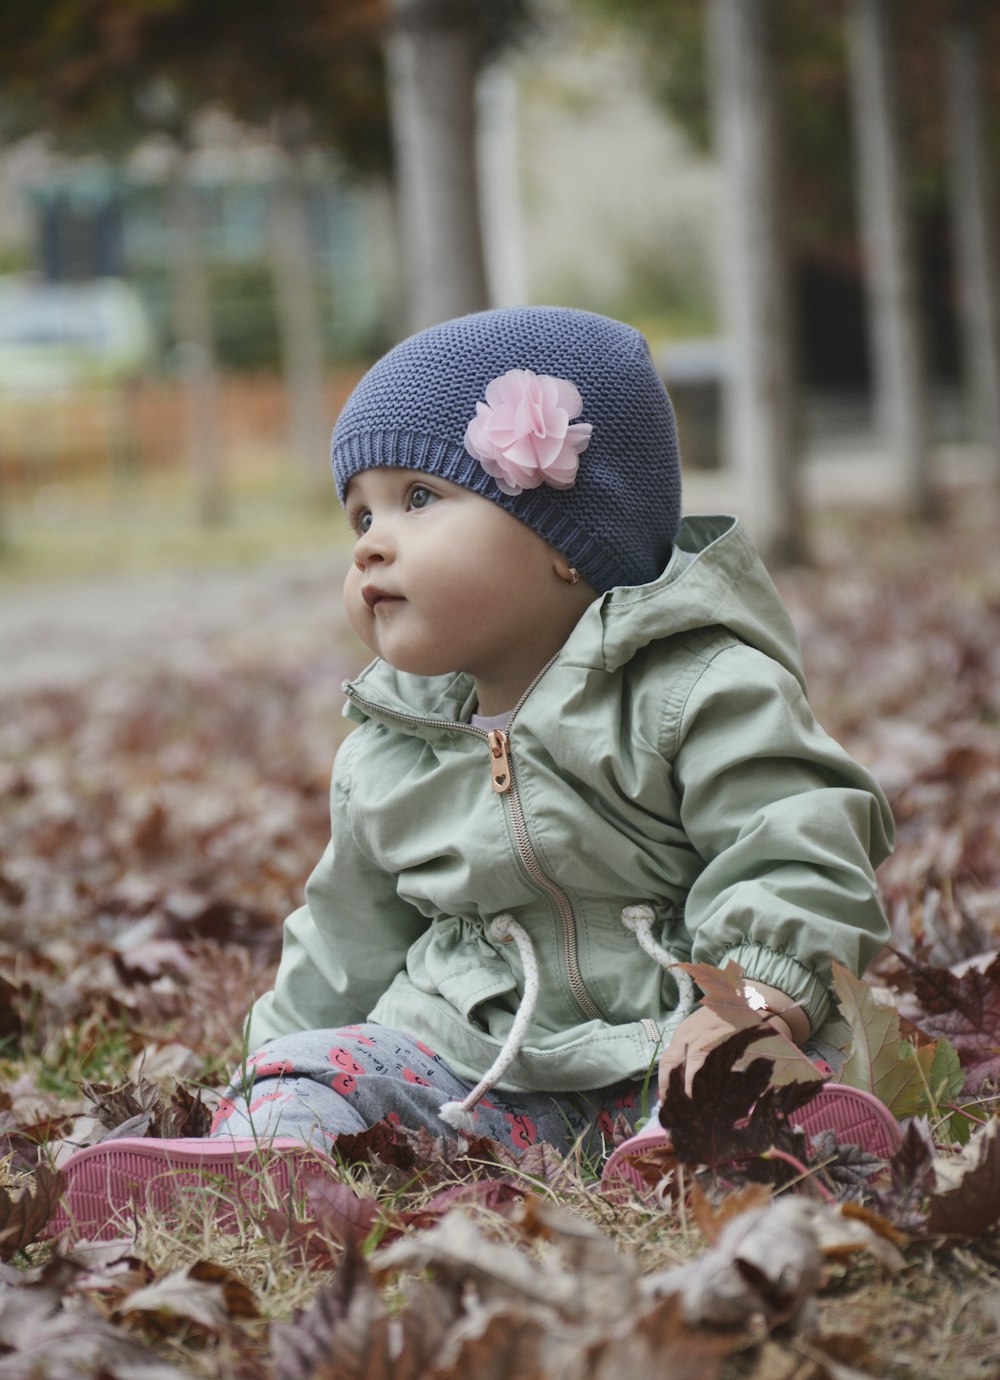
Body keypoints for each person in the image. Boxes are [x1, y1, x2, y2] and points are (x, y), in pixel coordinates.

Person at [52, 306, 899, 1239]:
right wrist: (275, 1060)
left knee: (748, 1070)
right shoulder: (391, 744)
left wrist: (751, 996)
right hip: (472, 1069)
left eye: (418, 499)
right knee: (327, 1072)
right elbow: (345, 933)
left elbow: (793, 833)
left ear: (566, 542)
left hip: (673, 1036)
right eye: (360, 514)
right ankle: (265, 1154)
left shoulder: (693, 688)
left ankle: (722, 1148)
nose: (372, 542)